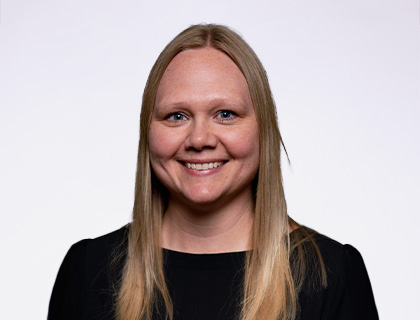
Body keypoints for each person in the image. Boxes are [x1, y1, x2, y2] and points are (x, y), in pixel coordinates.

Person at [48, 24, 379, 320]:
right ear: (147, 132)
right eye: (177, 116)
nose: (199, 139)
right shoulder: (88, 270)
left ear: (263, 129)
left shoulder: (332, 274)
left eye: (225, 113)